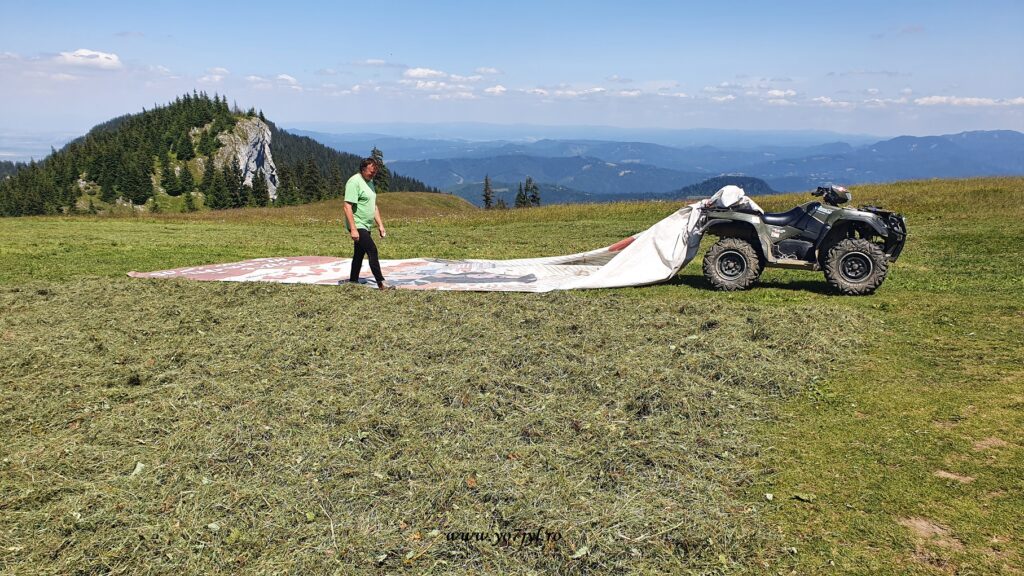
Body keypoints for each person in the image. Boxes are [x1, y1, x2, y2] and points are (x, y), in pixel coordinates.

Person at [343, 158, 392, 289]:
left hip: (366, 224)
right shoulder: (354, 182)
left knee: (359, 253)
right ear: (363, 170)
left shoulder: (370, 182)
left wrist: (380, 225)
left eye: (375, 172)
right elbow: (347, 206)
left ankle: (353, 280)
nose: (373, 174)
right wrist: (353, 229)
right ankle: (381, 283)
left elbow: (373, 206)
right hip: (358, 224)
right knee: (372, 250)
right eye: (371, 172)